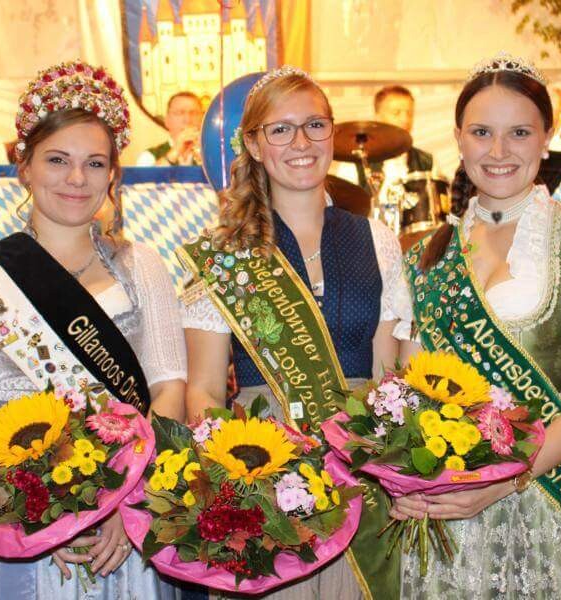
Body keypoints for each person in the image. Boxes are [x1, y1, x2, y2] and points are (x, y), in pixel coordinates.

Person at [0, 60, 186, 599]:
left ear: (112, 174)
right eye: (57, 160)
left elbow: (168, 389)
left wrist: (126, 498)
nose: (76, 179)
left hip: (123, 521)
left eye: (94, 163)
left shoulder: (143, 267)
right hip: (17, 513)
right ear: (23, 166)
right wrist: (32, 505)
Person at [392, 52, 561, 599]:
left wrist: (504, 481)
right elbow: (407, 390)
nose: (499, 151)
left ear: (547, 138)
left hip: (545, 495)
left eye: (519, 133)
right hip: (446, 503)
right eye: (482, 132)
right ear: (458, 139)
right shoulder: (427, 254)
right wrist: (403, 479)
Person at [180, 66, 416, 599]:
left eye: (315, 125)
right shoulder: (224, 254)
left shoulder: (376, 239)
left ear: (332, 131)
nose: (302, 142)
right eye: (281, 129)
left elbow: (388, 373)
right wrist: (238, 482)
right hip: (265, 472)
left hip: (362, 472)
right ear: (253, 144)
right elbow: (206, 391)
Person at [336, 85, 434, 197]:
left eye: (409, 113)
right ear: (378, 117)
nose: (405, 119)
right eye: (396, 113)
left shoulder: (427, 162)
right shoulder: (353, 162)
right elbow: (342, 203)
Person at [136, 91, 203, 166]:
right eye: (179, 113)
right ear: (167, 121)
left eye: (194, 113)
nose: (187, 120)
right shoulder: (148, 156)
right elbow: (148, 174)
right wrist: (175, 152)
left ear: (202, 120)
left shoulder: (211, 154)